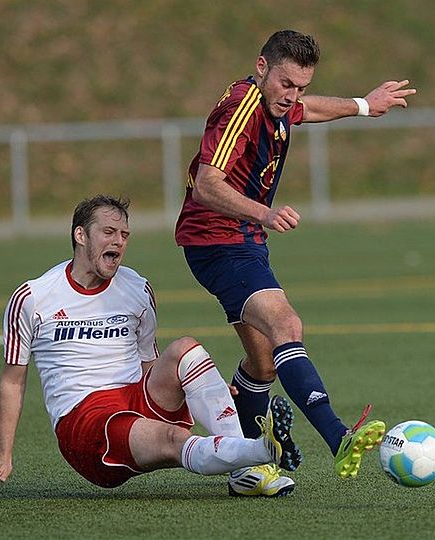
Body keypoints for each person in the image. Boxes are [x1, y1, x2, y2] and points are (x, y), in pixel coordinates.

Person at [174, 29, 415, 488]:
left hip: (239, 239)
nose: (293, 96)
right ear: (262, 68)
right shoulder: (239, 110)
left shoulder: (278, 101)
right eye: (287, 83)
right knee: (287, 325)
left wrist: (363, 105)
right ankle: (339, 436)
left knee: (263, 366)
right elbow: (207, 184)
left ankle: (248, 467)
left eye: (301, 85)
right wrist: (265, 213)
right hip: (218, 241)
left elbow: (309, 109)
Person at [0, 195, 301, 498]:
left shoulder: (137, 288)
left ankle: (245, 472)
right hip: (84, 423)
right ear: (80, 235)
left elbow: (150, 364)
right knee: (174, 441)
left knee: (186, 348)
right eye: (109, 232)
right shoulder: (32, 297)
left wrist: (204, 386)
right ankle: (262, 452)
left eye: (124, 235)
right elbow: (13, 380)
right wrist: (3, 455)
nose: (118, 241)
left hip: (134, 397)